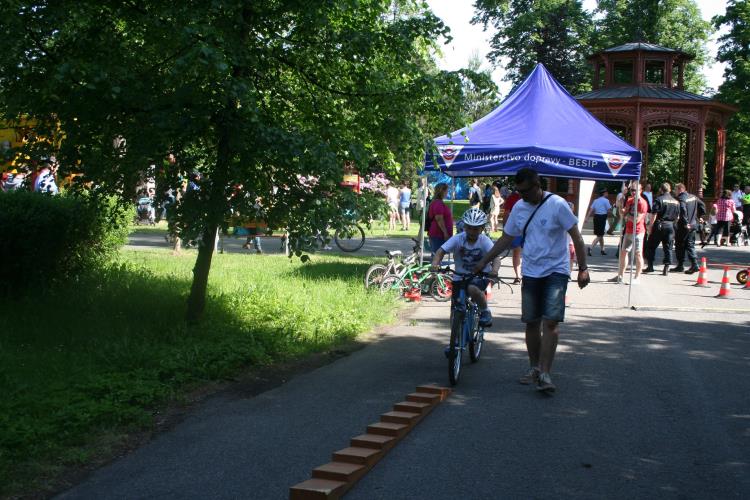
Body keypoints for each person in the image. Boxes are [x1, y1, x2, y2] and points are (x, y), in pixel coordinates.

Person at [474, 168, 589, 394]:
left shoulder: (557, 204)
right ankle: (534, 367)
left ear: (538, 186)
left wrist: (583, 268)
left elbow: (576, 235)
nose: (522, 195)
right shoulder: (519, 207)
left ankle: (545, 373)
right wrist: (484, 261)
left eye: (526, 191)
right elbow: (506, 238)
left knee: (551, 322)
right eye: (519, 191)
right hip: (531, 271)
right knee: (531, 322)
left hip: (556, 270)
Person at [431, 208, 500, 328]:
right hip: (460, 276)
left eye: (476, 229)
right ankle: (455, 342)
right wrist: (435, 264)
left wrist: (494, 271)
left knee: (473, 288)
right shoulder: (458, 238)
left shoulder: (484, 241)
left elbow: (495, 258)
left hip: (480, 276)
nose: (472, 232)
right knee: (456, 308)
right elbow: (440, 251)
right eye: (469, 228)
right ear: (464, 226)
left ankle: (485, 311)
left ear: (482, 228)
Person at [608, 181, 648, 284]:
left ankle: (637, 277)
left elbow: (636, 220)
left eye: (635, 190)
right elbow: (622, 213)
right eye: (632, 190)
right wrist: (620, 205)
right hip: (628, 231)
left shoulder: (642, 203)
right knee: (623, 252)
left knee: (638, 254)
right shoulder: (630, 200)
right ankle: (620, 276)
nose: (633, 192)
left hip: (638, 232)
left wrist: (626, 216)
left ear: (640, 190)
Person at [644, 182, 680, 276]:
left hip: (659, 225)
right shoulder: (676, 201)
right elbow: (678, 217)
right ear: (670, 190)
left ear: (661, 189)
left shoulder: (659, 199)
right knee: (668, 247)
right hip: (670, 226)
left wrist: (650, 227)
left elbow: (654, 214)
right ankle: (666, 268)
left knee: (651, 246)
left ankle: (650, 266)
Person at [672, 183, 705, 274]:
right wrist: (701, 215)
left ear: (680, 189)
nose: (674, 192)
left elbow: (683, 210)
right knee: (690, 244)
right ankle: (694, 264)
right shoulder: (693, 197)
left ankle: (681, 265)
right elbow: (702, 204)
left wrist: (686, 222)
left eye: (675, 190)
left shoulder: (681, 198)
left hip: (684, 226)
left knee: (679, 245)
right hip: (693, 224)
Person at [426, 182, 453, 257]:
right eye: (447, 191)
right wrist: (445, 233)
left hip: (438, 234)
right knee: (437, 257)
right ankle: (435, 269)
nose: (447, 193)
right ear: (442, 191)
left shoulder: (438, 202)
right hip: (438, 234)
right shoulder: (438, 203)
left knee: (438, 256)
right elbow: (439, 219)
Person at [503, 188, 522, 284]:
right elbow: (506, 213)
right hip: (516, 230)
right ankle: (518, 276)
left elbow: (506, 214)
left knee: (519, 253)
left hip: (528, 230)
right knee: (517, 252)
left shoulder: (534, 197)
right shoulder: (512, 198)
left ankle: (522, 276)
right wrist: (506, 228)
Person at [585, 188, 611, 256]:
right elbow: (609, 210)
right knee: (600, 235)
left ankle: (602, 250)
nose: (607, 194)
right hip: (602, 217)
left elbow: (591, 210)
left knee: (600, 234)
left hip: (596, 217)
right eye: (606, 193)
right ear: (604, 193)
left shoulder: (595, 200)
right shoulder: (606, 201)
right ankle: (590, 248)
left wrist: (587, 218)